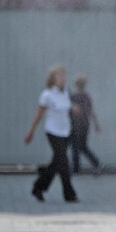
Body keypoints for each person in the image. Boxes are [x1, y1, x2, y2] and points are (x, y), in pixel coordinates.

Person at [24, 65, 78, 203]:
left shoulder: (65, 92)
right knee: (64, 162)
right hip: (53, 132)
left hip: (65, 132)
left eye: (64, 76)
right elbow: (39, 115)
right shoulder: (47, 95)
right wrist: (31, 131)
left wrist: (73, 108)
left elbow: (66, 107)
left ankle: (38, 187)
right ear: (53, 79)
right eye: (60, 76)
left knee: (58, 163)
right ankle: (69, 194)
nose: (63, 78)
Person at [69, 74, 101, 175]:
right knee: (82, 146)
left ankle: (76, 169)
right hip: (85, 125)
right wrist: (96, 124)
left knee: (75, 147)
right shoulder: (86, 97)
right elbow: (91, 112)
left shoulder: (73, 96)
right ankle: (95, 162)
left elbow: (69, 110)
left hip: (75, 125)